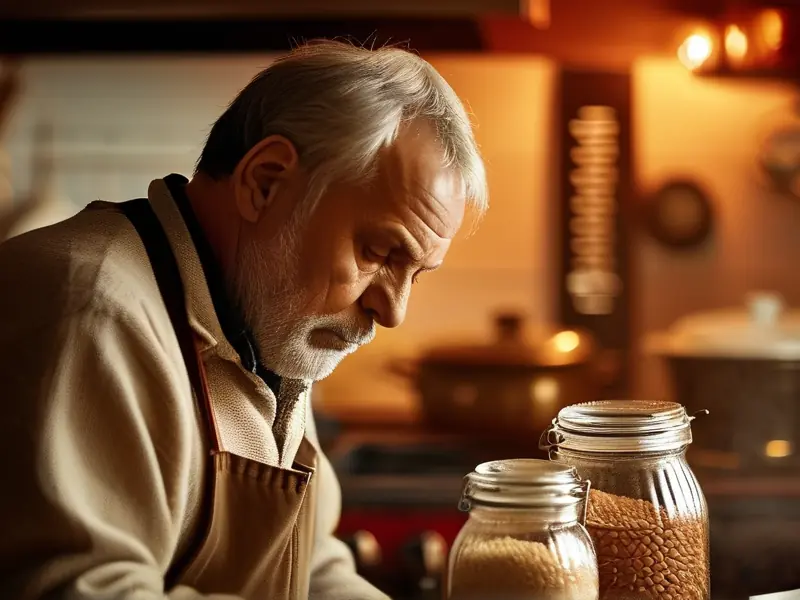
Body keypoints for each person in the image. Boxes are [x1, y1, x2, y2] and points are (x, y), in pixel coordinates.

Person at [0, 40, 488, 600]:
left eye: (416, 273)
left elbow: (310, 567)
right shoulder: (92, 313)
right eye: (380, 253)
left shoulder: (258, 320)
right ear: (265, 182)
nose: (393, 310)